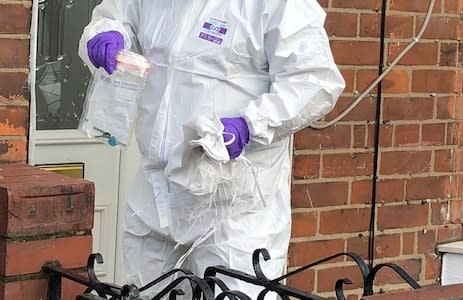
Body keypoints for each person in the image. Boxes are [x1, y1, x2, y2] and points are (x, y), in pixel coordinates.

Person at [79, 0, 345, 298]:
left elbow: (314, 79)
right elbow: (116, 16)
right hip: (157, 193)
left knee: (236, 293)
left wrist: (251, 125)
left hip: (234, 206)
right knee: (150, 292)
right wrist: (107, 33)